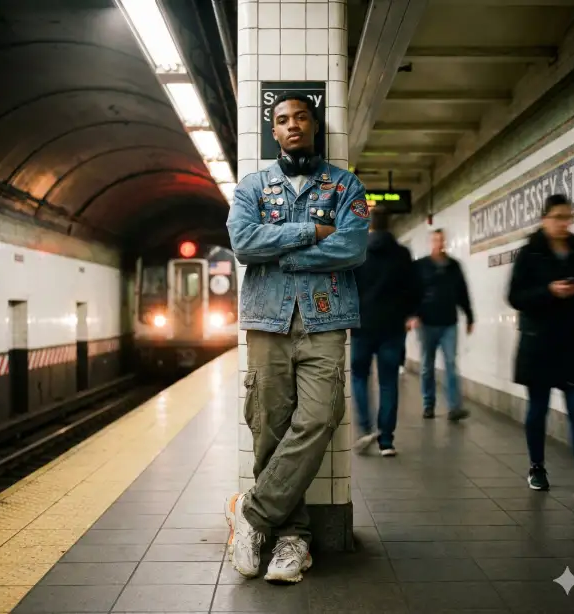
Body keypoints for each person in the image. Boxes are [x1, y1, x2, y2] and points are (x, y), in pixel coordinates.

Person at [224, 91, 370, 583]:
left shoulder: (346, 185)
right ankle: (292, 540)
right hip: (268, 321)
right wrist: (312, 231)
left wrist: (283, 252)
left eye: (300, 117)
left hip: (325, 321)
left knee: (321, 416)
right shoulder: (252, 186)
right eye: (282, 119)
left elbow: (352, 248)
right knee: (268, 424)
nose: (292, 126)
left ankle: (253, 514)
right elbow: (243, 243)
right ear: (273, 130)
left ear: (313, 124)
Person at [507, 193, 574, 504]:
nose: (564, 223)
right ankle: (537, 466)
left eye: (568, 217)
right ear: (545, 219)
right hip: (540, 345)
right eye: (558, 217)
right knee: (537, 410)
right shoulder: (530, 253)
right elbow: (515, 296)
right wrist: (549, 291)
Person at [351, 205, 418, 456]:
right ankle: (386, 440)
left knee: (359, 377)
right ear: (390, 225)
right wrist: (410, 314)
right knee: (389, 382)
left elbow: (350, 287)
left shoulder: (358, 251)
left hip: (362, 327)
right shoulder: (402, 254)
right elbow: (412, 288)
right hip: (392, 328)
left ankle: (366, 427)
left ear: (369, 225)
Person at [409, 228, 473, 420]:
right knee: (427, 365)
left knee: (451, 364)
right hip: (426, 323)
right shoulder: (420, 266)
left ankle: (455, 407)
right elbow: (411, 293)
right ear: (431, 242)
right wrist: (412, 315)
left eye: (442, 240)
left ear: (445, 242)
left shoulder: (454, 266)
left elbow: (463, 292)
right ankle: (429, 404)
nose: (439, 243)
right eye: (435, 240)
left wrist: (470, 316)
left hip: (449, 323)